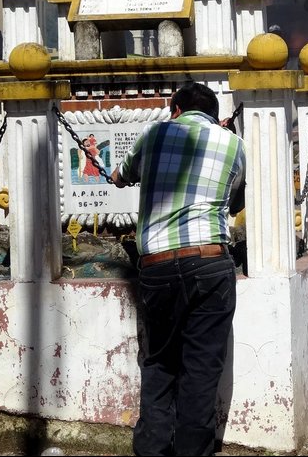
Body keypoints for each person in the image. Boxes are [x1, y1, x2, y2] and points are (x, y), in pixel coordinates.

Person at [112, 82, 246, 456]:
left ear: (175, 109)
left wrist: (121, 176)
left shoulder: (154, 133)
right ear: (214, 114)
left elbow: (123, 174)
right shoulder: (233, 144)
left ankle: (153, 450)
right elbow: (235, 200)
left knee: (159, 366)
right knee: (202, 371)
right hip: (210, 263)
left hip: (157, 267)